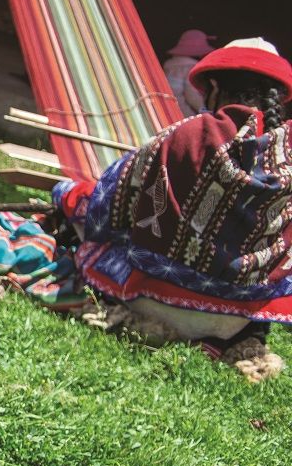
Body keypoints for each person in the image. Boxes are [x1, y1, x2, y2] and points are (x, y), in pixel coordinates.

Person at [52, 38, 292, 381]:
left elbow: (108, 207)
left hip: (153, 300)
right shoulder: (287, 159)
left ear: (213, 87)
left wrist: (67, 196)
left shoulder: (187, 133)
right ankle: (243, 340)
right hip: (234, 319)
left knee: (94, 223)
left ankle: (144, 317)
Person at [163, 29, 215, 116]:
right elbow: (192, 96)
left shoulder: (169, 65)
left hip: (165, 107)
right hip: (182, 110)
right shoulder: (190, 67)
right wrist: (206, 112)